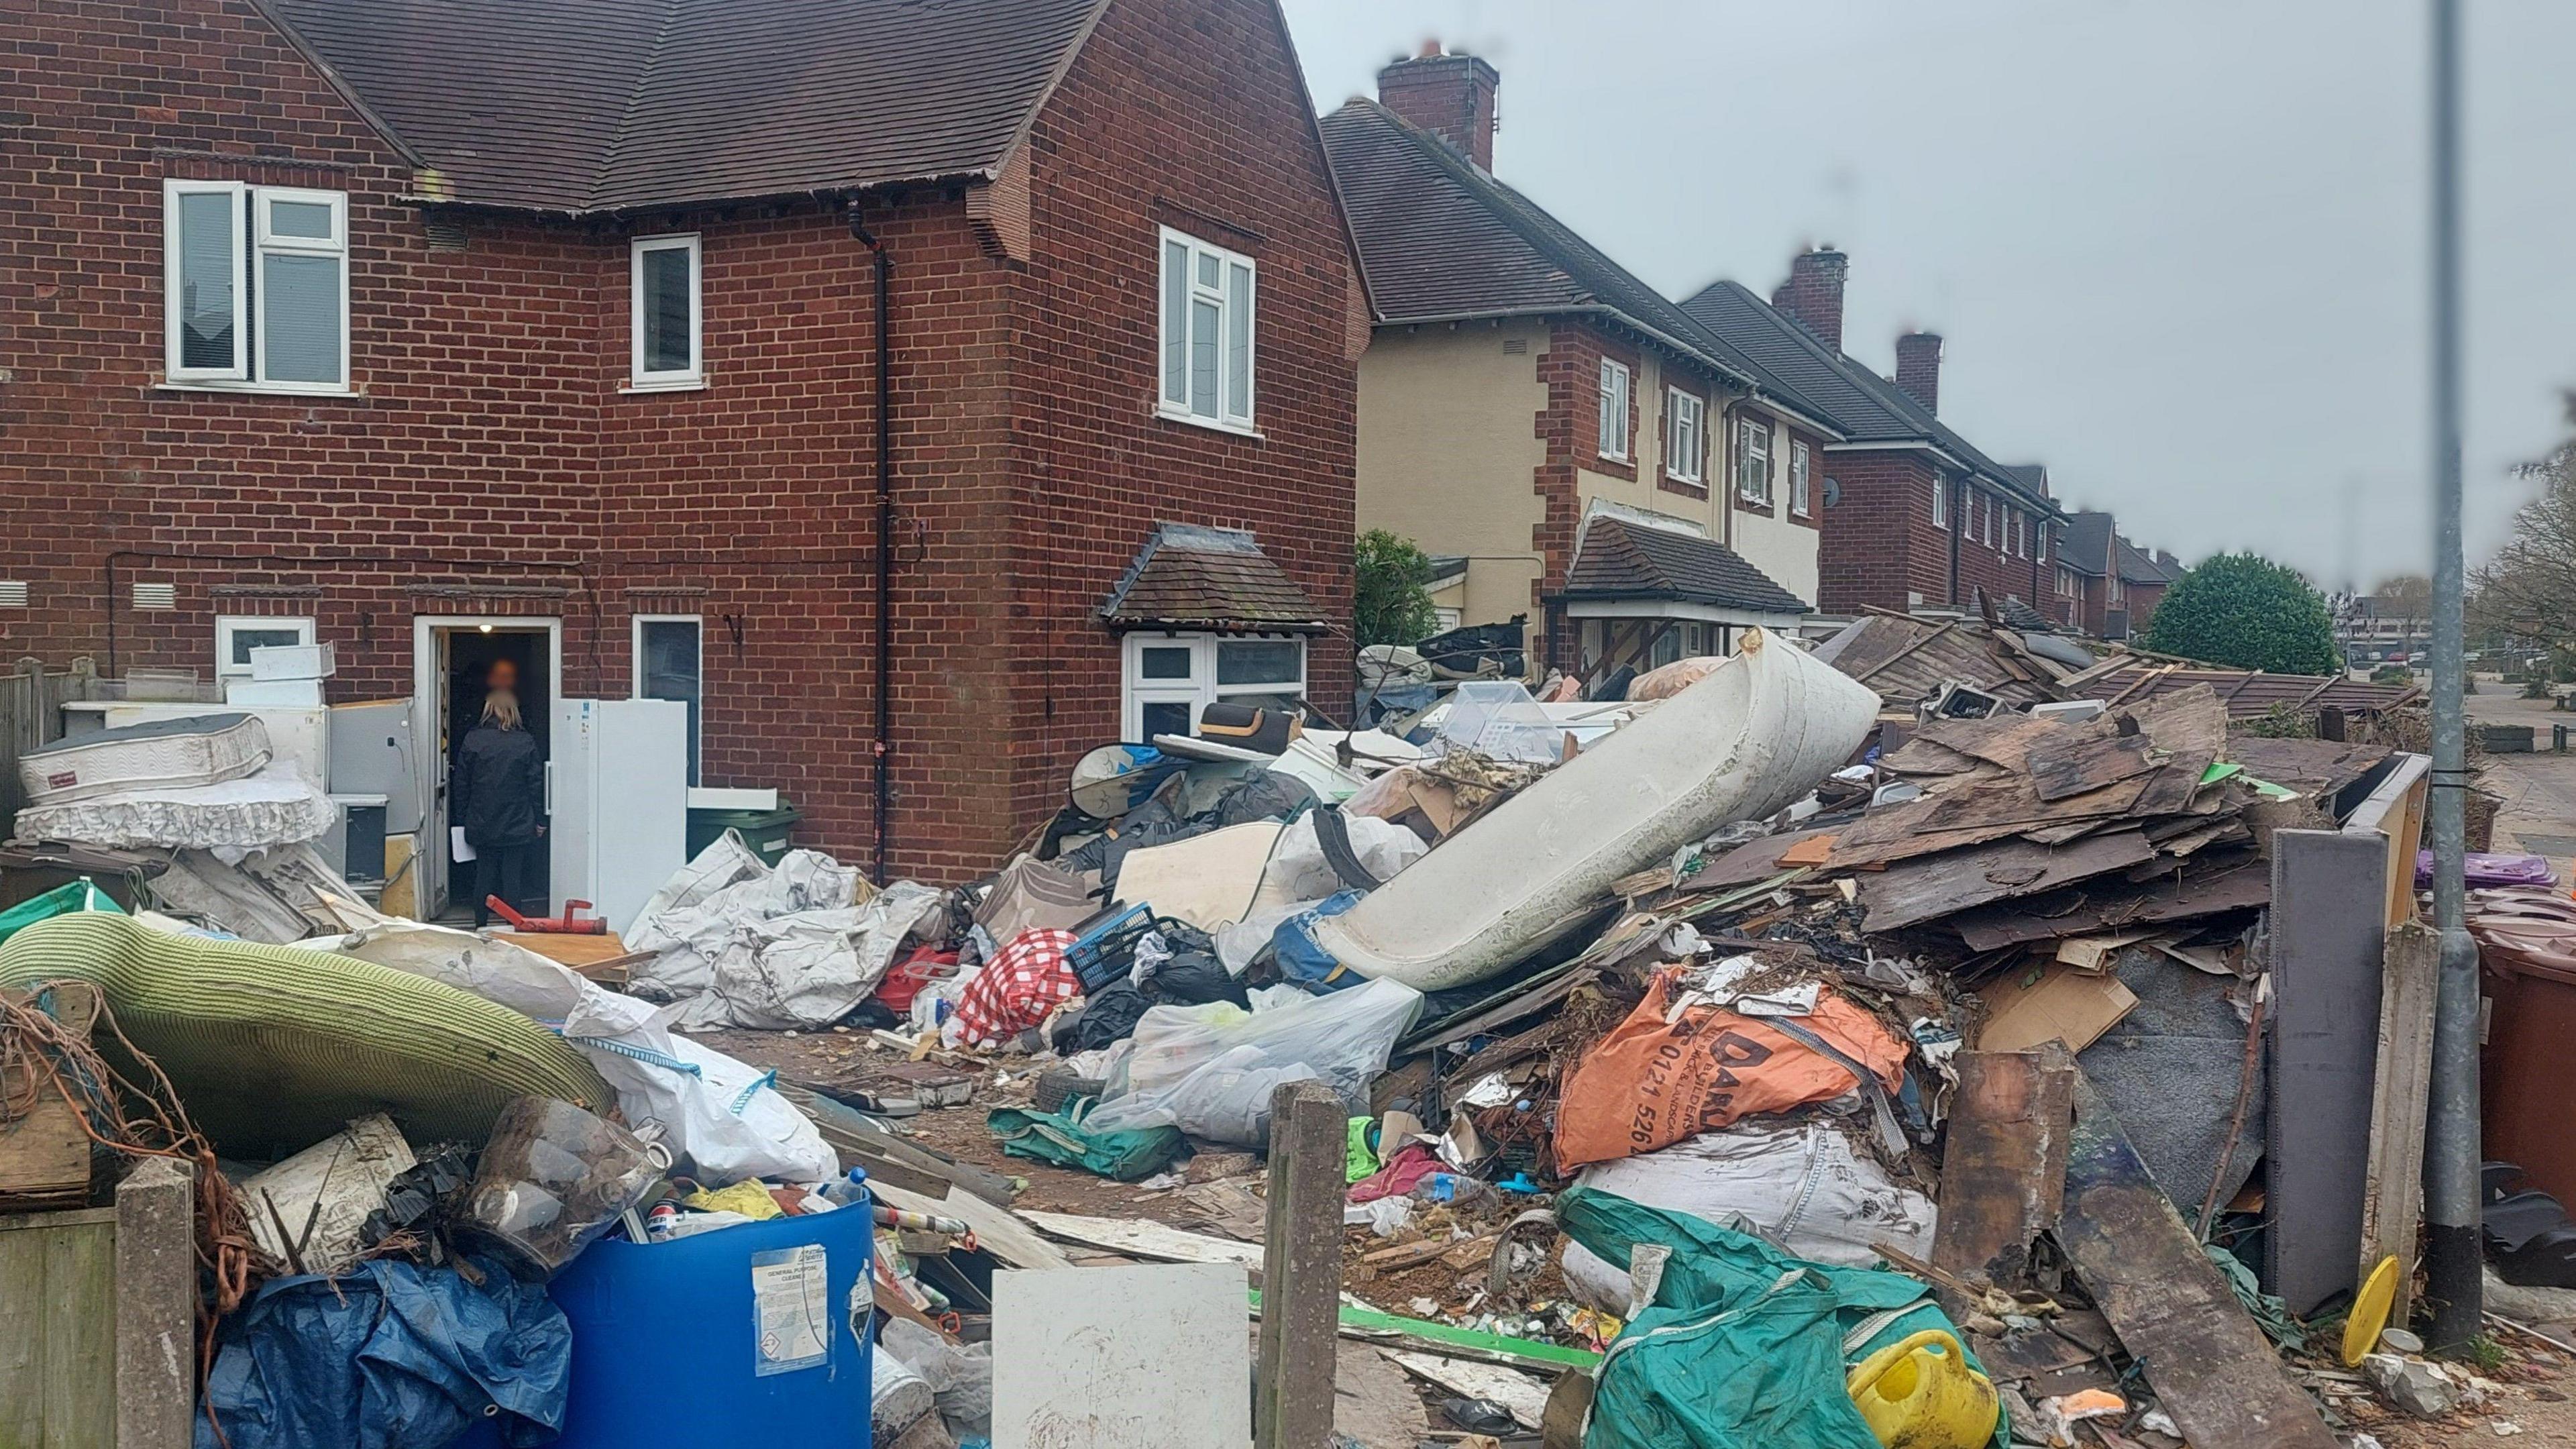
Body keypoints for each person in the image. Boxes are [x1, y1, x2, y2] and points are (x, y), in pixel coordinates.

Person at [452, 686, 545, 926]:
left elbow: (461, 782)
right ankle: (514, 927)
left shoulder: (473, 739)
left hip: (481, 819)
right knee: (512, 878)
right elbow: (536, 784)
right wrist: (540, 819)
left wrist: (461, 819)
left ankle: (481, 925)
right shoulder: (525, 741)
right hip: (517, 820)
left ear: (488, 709)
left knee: (484, 875)